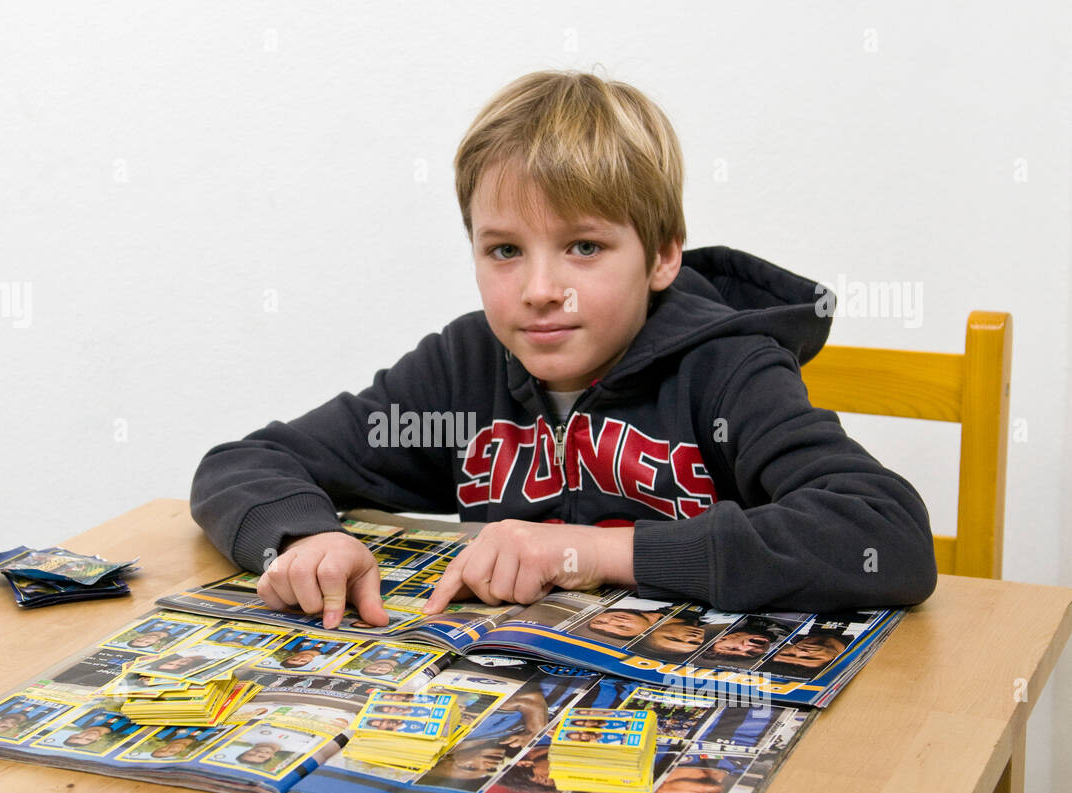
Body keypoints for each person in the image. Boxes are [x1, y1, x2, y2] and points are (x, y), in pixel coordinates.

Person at [189, 69, 937, 626]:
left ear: (662, 257)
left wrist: (588, 553)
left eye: (583, 246)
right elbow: (247, 462)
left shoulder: (727, 368)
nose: (540, 288)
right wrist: (306, 538)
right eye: (505, 250)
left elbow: (886, 535)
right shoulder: (464, 367)